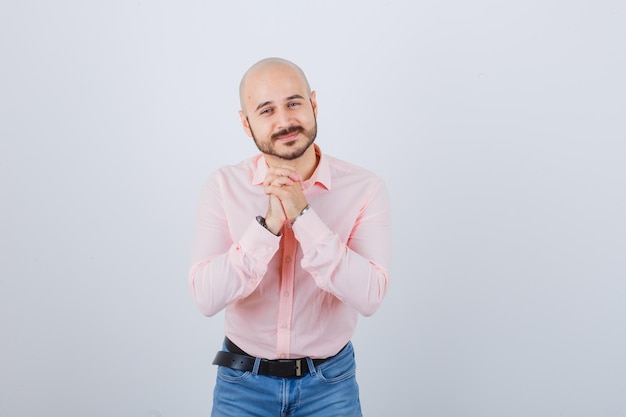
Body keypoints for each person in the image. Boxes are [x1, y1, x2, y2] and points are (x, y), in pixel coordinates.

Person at [188, 57, 392, 416]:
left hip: (330, 385)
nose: (284, 121)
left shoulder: (364, 188)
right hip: (241, 387)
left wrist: (304, 217)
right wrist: (267, 226)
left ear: (313, 104)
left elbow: (371, 294)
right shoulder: (223, 186)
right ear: (246, 123)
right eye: (266, 110)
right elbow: (205, 297)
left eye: (294, 103)